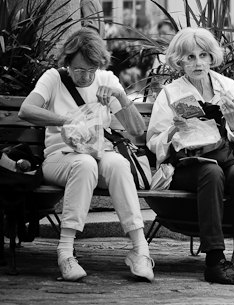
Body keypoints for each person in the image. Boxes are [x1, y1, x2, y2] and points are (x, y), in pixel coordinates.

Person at [18, 28, 154, 282]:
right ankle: (66, 252)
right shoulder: (53, 79)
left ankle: (140, 250)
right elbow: (26, 110)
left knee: (118, 164)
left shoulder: (106, 80)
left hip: (99, 153)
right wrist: (67, 120)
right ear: (68, 62)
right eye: (80, 70)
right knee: (83, 163)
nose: (85, 77)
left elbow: (137, 130)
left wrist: (119, 95)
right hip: (61, 157)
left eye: (91, 70)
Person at [146, 26, 234, 286]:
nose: (198, 62)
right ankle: (214, 259)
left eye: (203, 55)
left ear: (212, 57)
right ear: (180, 61)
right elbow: (154, 142)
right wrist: (172, 130)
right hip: (189, 166)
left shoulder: (232, 91)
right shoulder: (171, 94)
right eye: (190, 57)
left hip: (227, 160)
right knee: (210, 172)